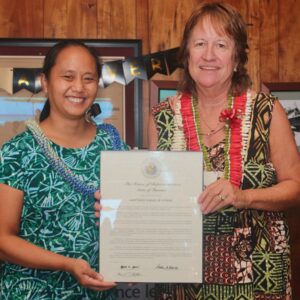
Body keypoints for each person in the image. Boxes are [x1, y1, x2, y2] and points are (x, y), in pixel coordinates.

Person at [148, 2, 300, 299]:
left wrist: (243, 196)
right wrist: (121, 207)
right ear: (187, 54)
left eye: (221, 44)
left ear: (236, 57)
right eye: (200, 43)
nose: (208, 55)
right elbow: (155, 196)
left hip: (260, 274)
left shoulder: (268, 111)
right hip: (182, 276)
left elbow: (296, 188)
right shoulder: (162, 117)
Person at [0, 40, 127, 299]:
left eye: (88, 78)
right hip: (31, 292)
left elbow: (135, 215)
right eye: (67, 77)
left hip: (98, 292)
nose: (78, 88)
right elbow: (2, 240)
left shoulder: (113, 145)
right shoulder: (17, 152)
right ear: (45, 82)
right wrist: (67, 264)